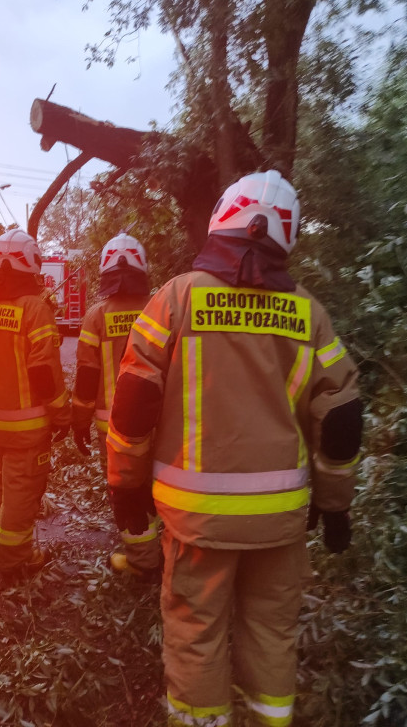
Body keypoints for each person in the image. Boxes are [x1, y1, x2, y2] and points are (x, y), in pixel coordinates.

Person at [106, 170, 363, 726]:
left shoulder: (175, 299)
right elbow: (341, 417)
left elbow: (132, 403)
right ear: (286, 237)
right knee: (272, 631)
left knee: (196, 632)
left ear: (223, 218)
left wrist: (125, 485)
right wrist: (336, 505)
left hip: (198, 522)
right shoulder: (310, 316)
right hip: (281, 520)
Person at [0, 228, 71, 577]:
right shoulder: (34, 309)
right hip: (27, 425)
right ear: (32, 267)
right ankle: (15, 560)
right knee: (22, 487)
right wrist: (62, 415)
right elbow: (44, 371)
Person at [72, 232, 161, 581]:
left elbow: (85, 377)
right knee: (157, 485)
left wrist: (78, 422)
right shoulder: (159, 308)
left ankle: (141, 559)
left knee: (126, 491)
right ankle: (167, 547)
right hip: (159, 423)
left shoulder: (96, 316)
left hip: (114, 429)